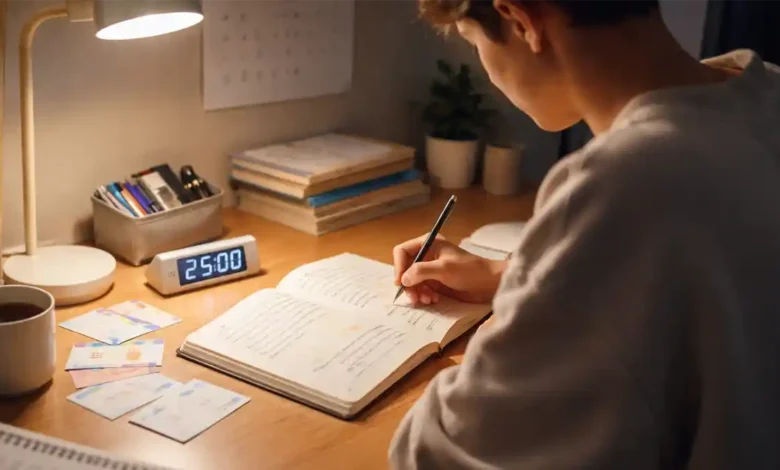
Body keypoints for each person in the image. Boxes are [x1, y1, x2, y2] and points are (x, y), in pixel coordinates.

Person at [388, 0, 780, 469]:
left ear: (522, 21)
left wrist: (511, 322)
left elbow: (438, 456)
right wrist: (507, 273)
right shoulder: (763, 90)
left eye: (474, 41)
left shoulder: (626, 182)